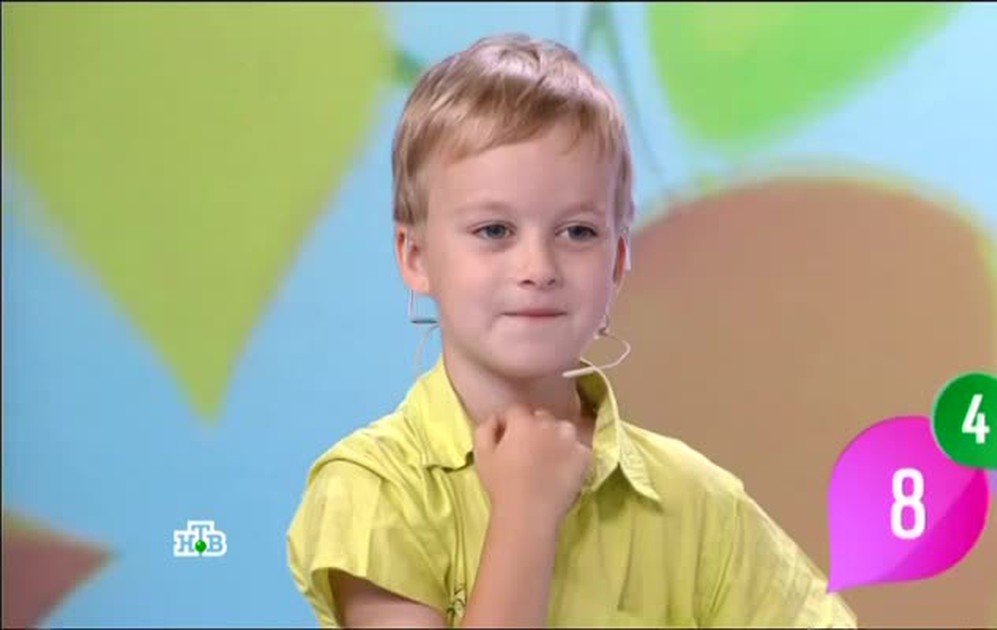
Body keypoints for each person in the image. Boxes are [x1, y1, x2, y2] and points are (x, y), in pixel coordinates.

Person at [286, 33, 857, 628]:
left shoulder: (698, 502)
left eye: (577, 232)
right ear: (416, 255)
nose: (537, 269)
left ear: (618, 261)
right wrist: (525, 513)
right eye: (494, 231)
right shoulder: (374, 489)